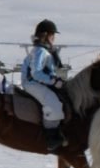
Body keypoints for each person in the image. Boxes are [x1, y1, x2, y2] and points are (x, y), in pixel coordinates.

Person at [21, 19, 67, 152]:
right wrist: (53, 81)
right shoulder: (40, 51)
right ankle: (50, 139)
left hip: (40, 82)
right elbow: (36, 73)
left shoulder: (45, 50)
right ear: (45, 35)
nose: (54, 38)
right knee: (53, 104)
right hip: (32, 83)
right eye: (52, 35)